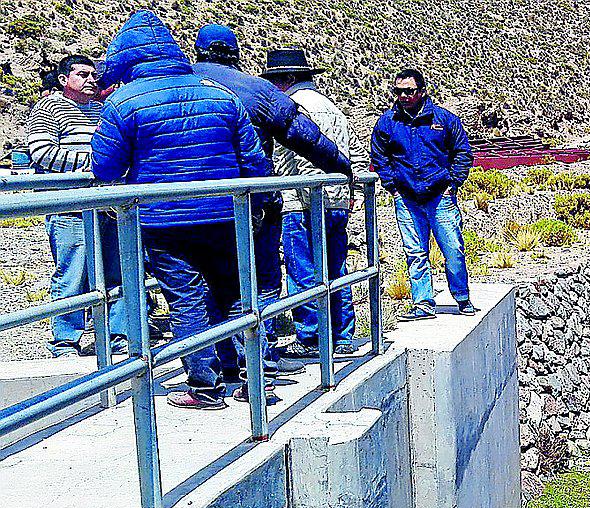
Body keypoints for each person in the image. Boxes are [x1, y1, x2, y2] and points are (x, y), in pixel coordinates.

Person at [92, 10, 272, 410]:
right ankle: (252, 380)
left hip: (162, 220)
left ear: (125, 57)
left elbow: (105, 167)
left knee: (186, 298)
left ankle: (204, 387)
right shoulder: (219, 95)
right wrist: (255, 207)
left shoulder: (123, 102)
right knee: (238, 294)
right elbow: (255, 162)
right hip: (227, 215)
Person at [192, 24, 353, 379]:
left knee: (203, 289)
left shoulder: (178, 85)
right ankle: (259, 360)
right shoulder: (257, 91)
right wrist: (342, 168)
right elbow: (302, 136)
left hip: (189, 207)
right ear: (234, 54)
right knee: (262, 282)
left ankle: (212, 370)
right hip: (256, 204)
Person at [25, 54, 128, 357]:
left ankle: (117, 336)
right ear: (63, 79)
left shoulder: (102, 111)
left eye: (93, 75)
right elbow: (42, 152)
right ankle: (65, 341)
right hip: (70, 206)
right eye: (82, 74)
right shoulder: (48, 108)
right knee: (73, 274)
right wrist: (95, 166)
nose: (91, 80)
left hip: (106, 205)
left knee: (116, 274)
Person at [262, 47, 358, 356]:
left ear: (287, 79)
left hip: (302, 202)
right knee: (336, 268)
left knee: (303, 269)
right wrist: (348, 193)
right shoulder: (333, 108)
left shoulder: (292, 108)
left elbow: (307, 162)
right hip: (337, 201)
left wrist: (306, 193)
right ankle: (342, 334)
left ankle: (312, 337)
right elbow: (351, 153)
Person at [371, 67, 474, 319]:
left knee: (453, 249)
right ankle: (423, 303)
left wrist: (453, 182)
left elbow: (462, 152)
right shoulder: (387, 122)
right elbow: (379, 155)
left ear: (422, 91)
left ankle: (461, 296)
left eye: (409, 91)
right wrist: (392, 186)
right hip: (406, 198)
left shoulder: (444, 119)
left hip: (440, 196)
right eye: (398, 91)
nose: (403, 96)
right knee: (415, 252)